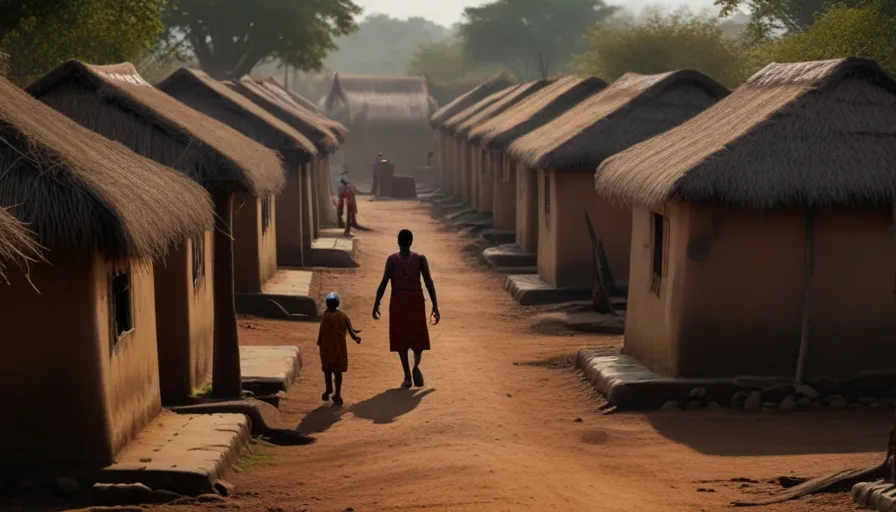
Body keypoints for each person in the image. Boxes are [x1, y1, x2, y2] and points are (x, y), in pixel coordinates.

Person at [373, 229, 440, 388]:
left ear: (398, 242)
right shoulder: (420, 259)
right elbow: (429, 283)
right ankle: (415, 364)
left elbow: (384, 283)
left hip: (398, 302)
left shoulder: (391, 260)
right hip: (416, 301)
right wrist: (435, 306)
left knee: (401, 339)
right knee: (417, 338)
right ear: (411, 242)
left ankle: (408, 375)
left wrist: (377, 303)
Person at [318, 292, 362, 406]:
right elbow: (350, 329)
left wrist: (320, 343)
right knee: (337, 372)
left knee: (327, 371)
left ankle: (329, 390)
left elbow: (321, 332)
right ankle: (337, 394)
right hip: (338, 349)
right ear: (338, 303)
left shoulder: (325, 315)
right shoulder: (341, 316)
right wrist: (355, 338)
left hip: (326, 349)